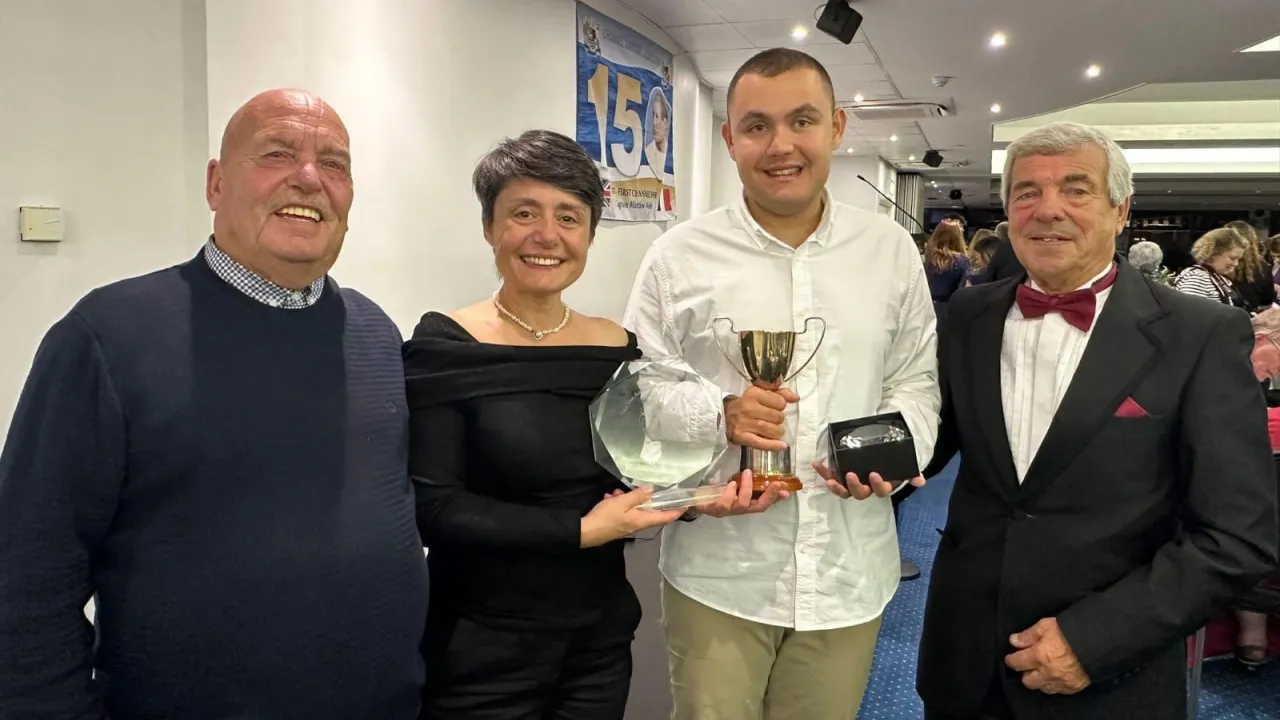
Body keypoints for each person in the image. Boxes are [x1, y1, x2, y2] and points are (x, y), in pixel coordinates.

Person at [0, 89, 430, 719]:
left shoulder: (375, 334)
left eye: (334, 164)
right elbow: (27, 579)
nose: (309, 178)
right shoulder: (109, 337)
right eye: (277, 153)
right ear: (216, 183)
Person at [919, 120, 1279, 720]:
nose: (1048, 209)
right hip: (964, 657)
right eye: (1027, 192)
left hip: (1109, 675)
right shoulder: (972, 312)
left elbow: (1237, 537)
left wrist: (1097, 641)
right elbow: (934, 438)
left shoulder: (1199, 333)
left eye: (1076, 189)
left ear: (1120, 211)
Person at [623, 48, 939, 720]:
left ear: (836, 126)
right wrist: (721, 414)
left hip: (847, 567)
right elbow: (638, 391)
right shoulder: (677, 257)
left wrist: (892, 453)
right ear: (729, 137)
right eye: (757, 126)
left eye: (802, 120)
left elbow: (914, 379)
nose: (781, 145)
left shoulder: (889, 252)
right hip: (721, 571)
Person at [403, 130, 683, 720]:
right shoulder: (447, 345)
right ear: (489, 227)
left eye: (569, 217)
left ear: (589, 235)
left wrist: (705, 495)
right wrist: (579, 531)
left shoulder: (616, 346)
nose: (547, 235)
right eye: (523, 213)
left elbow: (636, 470)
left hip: (597, 638)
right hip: (481, 643)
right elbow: (435, 508)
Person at [1173, 227, 1249, 307]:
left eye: (1238, 259)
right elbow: (1191, 312)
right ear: (1213, 253)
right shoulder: (1196, 278)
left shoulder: (1216, 277)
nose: (1236, 263)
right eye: (1232, 258)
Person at [923, 222, 970, 331]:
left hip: (925, 308)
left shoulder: (926, 258)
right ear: (958, 238)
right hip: (949, 312)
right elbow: (963, 289)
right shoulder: (962, 261)